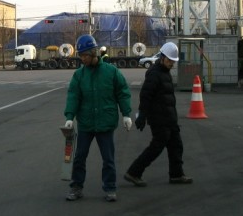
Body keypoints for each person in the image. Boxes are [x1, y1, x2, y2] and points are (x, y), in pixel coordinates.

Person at [63, 34, 132, 202]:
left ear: (94, 53)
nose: (82, 59)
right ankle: (76, 187)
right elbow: (73, 96)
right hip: (86, 123)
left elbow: (122, 93)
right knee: (79, 157)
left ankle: (110, 188)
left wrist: (126, 114)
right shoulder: (79, 75)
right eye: (80, 55)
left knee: (108, 159)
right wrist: (70, 117)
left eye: (85, 55)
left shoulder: (111, 72)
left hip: (105, 123)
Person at [124, 42, 193, 186]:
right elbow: (145, 95)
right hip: (159, 119)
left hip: (169, 117)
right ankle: (134, 172)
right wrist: (142, 115)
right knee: (156, 147)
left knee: (176, 145)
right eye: (169, 60)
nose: (171, 63)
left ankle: (176, 175)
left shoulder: (165, 72)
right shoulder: (154, 74)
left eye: (173, 61)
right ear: (162, 57)